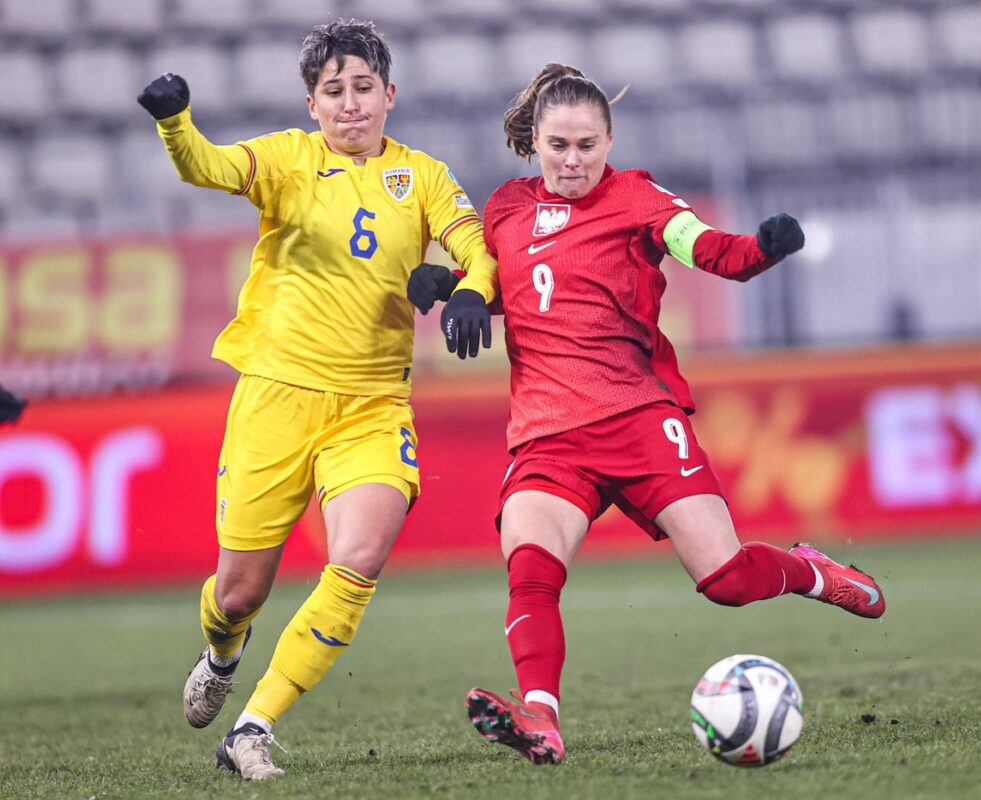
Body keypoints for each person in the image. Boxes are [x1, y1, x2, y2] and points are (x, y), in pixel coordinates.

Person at [408, 63, 886, 767]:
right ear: (534, 141)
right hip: (547, 432)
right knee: (530, 567)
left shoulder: (636, 196)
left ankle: (811, 571)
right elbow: (520, 288)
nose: (573, 161)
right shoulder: (508, 207)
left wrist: (760, 250)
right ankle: (539, 716)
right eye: (559, 146)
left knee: (725, 580)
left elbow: (704, 246)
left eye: (587, 145)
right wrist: (454, 289)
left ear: (609, 140)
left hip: (636, 415)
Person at [137, 19, 497, 780]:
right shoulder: (287, 160)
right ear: (312, 104)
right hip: (277, 394)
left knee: (359, 555)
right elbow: (208, 166)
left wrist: (473, 290)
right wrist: (176, 123)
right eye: (335, 92)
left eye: (364, 88)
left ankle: (252, 728)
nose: (351, 105)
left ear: (390, 95)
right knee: (238, 594)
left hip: (371, 405)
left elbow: (473, 243)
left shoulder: (423, 176)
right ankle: (222, 652)